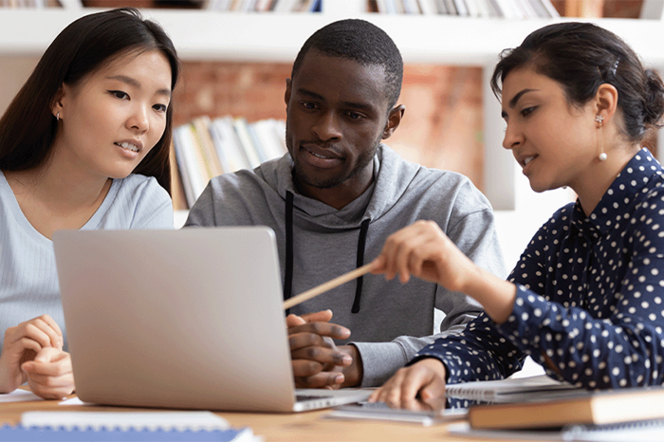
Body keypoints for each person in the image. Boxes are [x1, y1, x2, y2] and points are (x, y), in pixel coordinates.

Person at [185, 19, 505, 389]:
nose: (326, 129)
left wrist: (358, 363)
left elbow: (491, 341)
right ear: (288, 97)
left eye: (353, 115)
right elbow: (173, 334)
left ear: (391, 123)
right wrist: (260, 354)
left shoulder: (449, 205)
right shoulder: (227, 203)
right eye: (309, 104)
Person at [369, 21, 664, 410]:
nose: (509, 138)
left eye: (527, 110)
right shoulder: (562, 232)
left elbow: (635, 359)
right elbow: (493, 342)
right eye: (508, 118)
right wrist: (437, 368)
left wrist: (474, 280)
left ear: (602, 106)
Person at [0, 8, 180, 399]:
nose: (142, 122)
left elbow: (147, 351)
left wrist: (82, 374)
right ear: (59, 98)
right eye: (121, 94)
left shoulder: (144, 205)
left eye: (158, 106)